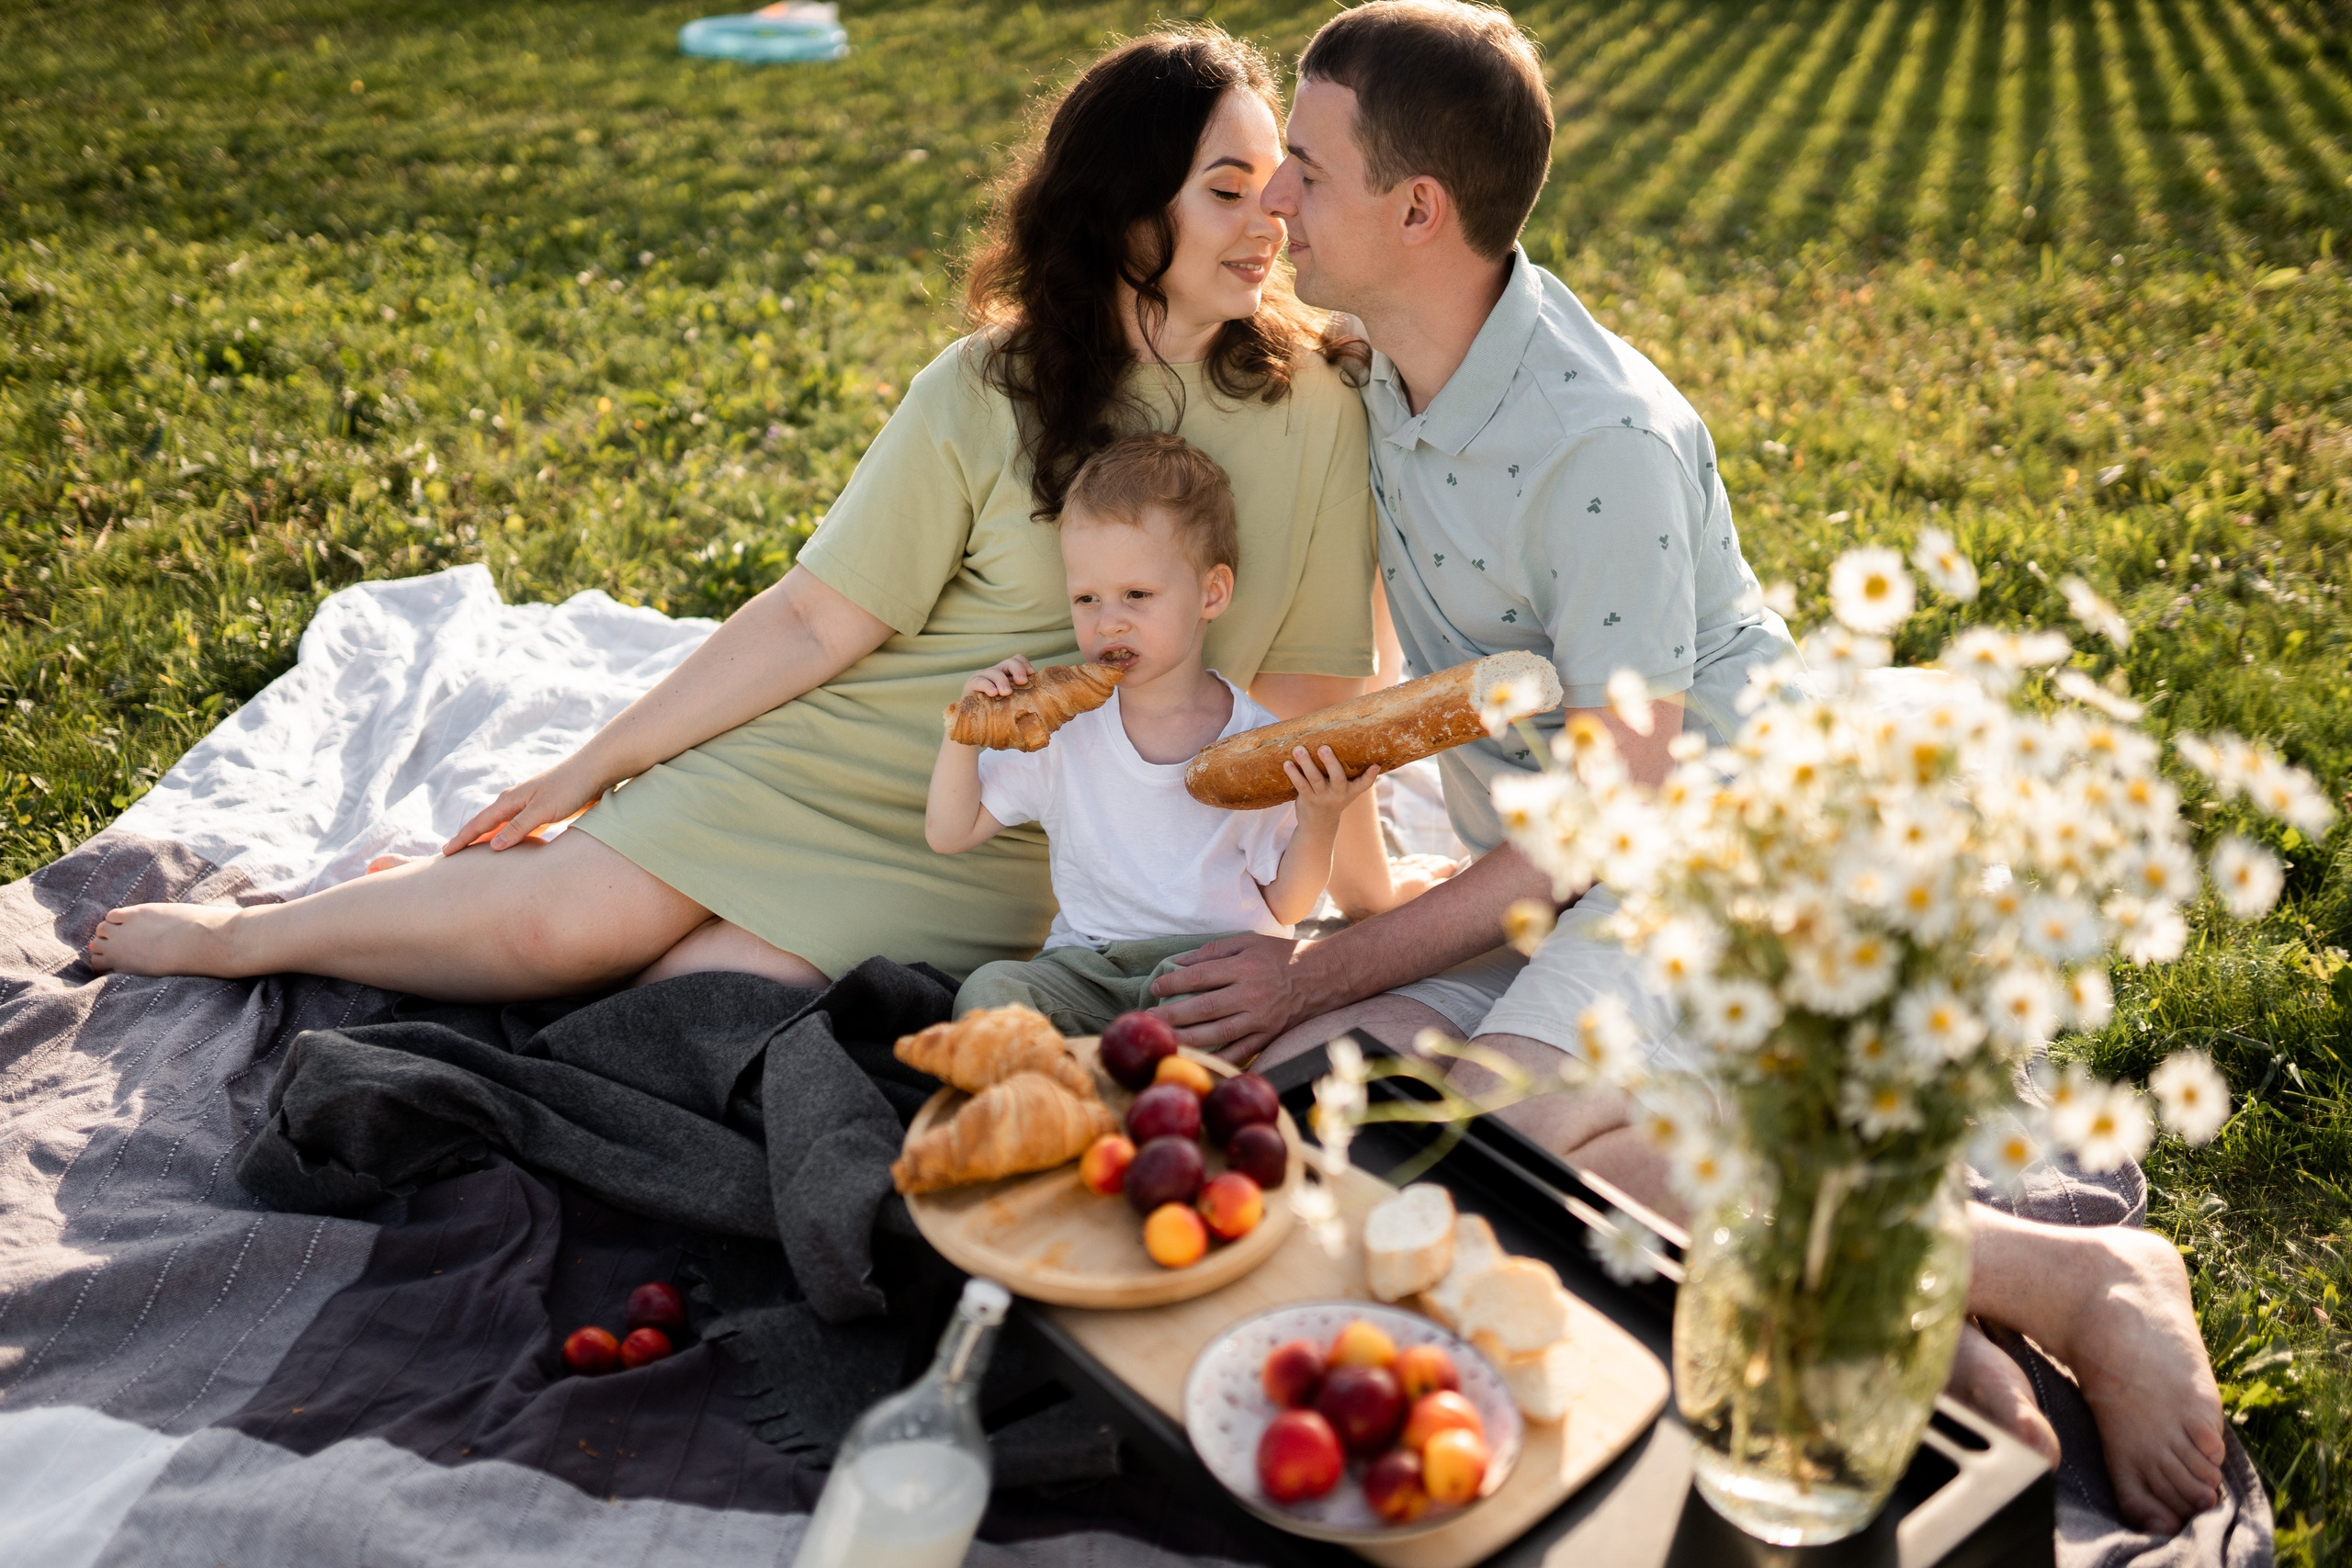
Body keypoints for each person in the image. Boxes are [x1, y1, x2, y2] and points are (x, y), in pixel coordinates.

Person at [1144, 0, 2230, 1538]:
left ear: (1416, 210)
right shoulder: (1386, 352)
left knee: (1500, 1148)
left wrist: (1310, 968)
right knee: (1408, 1108)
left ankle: (2066, 1272)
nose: (1272, 203)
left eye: (1301, 172)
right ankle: (1941, 1309)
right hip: (1560, 864)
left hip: (1713, 852)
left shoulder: (1605, 447)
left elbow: (1615, 824)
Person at [85, 26, 1425, 999]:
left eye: (1279, 189)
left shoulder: (1318, 404)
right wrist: (589, 767)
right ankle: (254, 937)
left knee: (687, 1000)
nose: (1274, 225)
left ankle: (425, 910)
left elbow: (1314, 697)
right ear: (1128, 210)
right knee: (557, 936)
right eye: (1228, 191)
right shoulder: (990, 381)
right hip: (842, 760)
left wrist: (1357, 910)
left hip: (1021, 843)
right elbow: (812, 620)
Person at [934, 433, 1389, 1035]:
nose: (1108, 620)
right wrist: (965, 731)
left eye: (1137, 595)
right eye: (1086, 597)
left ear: (1211, 592)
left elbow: (1288, 904)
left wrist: (1319, 820)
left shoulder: (1257, 742)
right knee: (989, 991)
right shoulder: (1062, 731)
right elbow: (950, 831)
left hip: (1210, 968)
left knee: (1269, 1021)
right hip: (1091, 971)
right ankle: (1098, 1077)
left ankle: (1132, 1076)